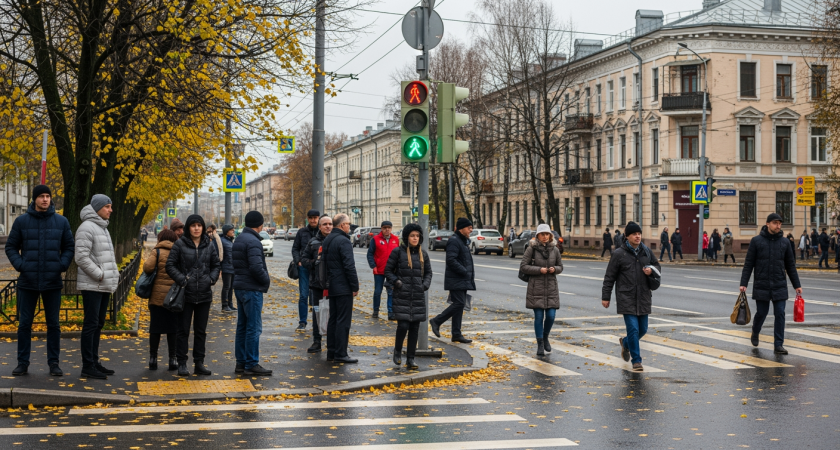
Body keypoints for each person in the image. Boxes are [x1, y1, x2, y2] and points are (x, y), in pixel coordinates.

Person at [5, 185, 74, 377]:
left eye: (48, 196)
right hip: (28, 281)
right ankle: (22, 362)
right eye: (41, 196)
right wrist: (21, 265)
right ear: (34, 199)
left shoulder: (61, 222)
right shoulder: (21, 221)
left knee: (53, 324)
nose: (45, 199)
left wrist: (61, 265)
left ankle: (54, 363)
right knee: (24, 324)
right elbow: (11, 247)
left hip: (52, 281)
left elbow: (69, 247)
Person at [601, 221, 661, 372]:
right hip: (626, 297)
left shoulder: (646, 251)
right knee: (633, 329)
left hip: (643, 296)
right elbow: (609, 277)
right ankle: (637, 361)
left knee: (643, 329)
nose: (637, 236)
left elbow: (657, 267)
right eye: (634, 234)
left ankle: (625, 343)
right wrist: (605, 296)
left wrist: (651, 271)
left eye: (639, 233)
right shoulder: (618, 254)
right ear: (627, 236)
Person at [166, 214, 220, 376]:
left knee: (201, 331)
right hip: (186, 294)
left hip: (204, 294)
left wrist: (211, 279)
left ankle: (199, 363)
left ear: (203, 227)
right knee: (183, 330)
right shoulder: (180, 244)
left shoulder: (209, 245)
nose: (196, 228)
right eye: (193, 225)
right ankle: (182, 363)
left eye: (199, 225)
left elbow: (216, 264)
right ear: (188, 228)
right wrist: (182, 280)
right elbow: (170, 265)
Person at [740, 213, 802, 355]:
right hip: (762, 283)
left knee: (780, 313)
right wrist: (744, 283)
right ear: (767, 224)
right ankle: (755, 332)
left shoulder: (785, 243)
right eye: (775, 223)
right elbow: (748, 264)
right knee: (762, 312)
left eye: (780, 223)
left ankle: (778, 345)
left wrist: (797, 285)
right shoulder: (756, 241)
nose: (778, 226)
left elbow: (790, 266)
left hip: (779, 284)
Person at [75, 194, 120, 379]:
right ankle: (87, 365)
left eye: (110, 206)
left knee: (98, 324)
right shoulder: (87, 227)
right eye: (107, 206)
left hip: (103, 284)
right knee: (91, 324)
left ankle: (94, 361)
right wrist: (100, 274)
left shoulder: (102, 227)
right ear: (97, 208)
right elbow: (81, 257)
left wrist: (112, 274)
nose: (110, 210)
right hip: (93, 284)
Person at [385, 224, 432, 370]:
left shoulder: (422, 254)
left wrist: (424, 285)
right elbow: (388, 271)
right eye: (412, 236)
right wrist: (397, 282)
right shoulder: (398, 252)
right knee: (403, 325)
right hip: (402, 295)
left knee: (414, 328)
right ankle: (398, 351)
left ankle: (411, 359)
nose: (415, 238)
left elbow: (429, 273)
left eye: (417, 236)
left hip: (417, 295)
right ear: (407, 237)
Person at [232, 211, 272, 375]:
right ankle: (251, 363)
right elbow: (256, 267)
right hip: (252, 289)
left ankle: (241, 363)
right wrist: (266, 280)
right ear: (260, 225)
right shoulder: (254, 241)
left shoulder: (240, 238)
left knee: (242, 326)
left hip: (240, 287)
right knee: (253, 328)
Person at [519, 224, 563, 357]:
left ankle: (545, 337)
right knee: (539, 317)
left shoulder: (555, 249)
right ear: (537, 235)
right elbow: (523, 267)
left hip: (551, 287)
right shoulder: (531, 249)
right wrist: (539, 270)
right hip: (536, 287)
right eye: (542, 234)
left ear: (550, 235)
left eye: (547, 234)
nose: (545, 236)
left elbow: (561, 266)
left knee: (551, 316)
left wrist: (554, 269)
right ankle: (540, 344)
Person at [429, 218, 475, 344]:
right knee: (459, 304)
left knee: (459, 306)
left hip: (461, 279)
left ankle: (456, 333)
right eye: (469, 228)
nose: (471, 230)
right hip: (457, 278)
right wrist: (464, 271)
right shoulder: (455, 241)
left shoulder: (462, 241)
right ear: (461, 228)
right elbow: (451, 260)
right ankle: (436, 321)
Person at [321, 213, 360, 363]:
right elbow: (349, 265)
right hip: (343, 286)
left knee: (333, 319)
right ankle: (341, 353)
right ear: (342, 225)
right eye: (348, 224)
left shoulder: (328, 239)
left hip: (331, 285)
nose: (349, 226)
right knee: (343, 321)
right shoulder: (343, 241)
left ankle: (331, 352)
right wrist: (354, 286)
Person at [142, 229, 179, 371]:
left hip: (157, 298)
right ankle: (172, 359)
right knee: (172, 329)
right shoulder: (178, 251)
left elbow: (148, 268)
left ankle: (153, 359)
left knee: (155, 328)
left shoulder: (156, 252)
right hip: (174, 297)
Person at [301, 215, 333, 354]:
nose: (328, 226)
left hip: (334, 285)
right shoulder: (313, 242)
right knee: (317, 313)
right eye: (325, 224)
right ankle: (317, 341)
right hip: (317, 285)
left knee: (333, 314)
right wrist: (315, 263)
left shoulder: (338, 240)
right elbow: (304, 259)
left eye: (330, 224)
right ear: (319, 227)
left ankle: (333, 343)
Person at [292, 210, 321, 331]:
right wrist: (298, 260)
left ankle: (318, 322)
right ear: (308, 219)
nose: (313, 220)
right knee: (304, 295)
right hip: (304, 267)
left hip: (318, 268)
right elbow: (295, 248)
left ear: (318, 218)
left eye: (315, 218)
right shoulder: (302, 232)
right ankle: (302, 322)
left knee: (317, 296)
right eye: (311, 218)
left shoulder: (322, 232)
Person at [366, 220, 400, 319]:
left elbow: (399, 255)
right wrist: (373, 266)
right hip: (379, 270)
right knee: (377, 291)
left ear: (391, 229)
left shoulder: (396, 239)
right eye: (385, 228)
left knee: (391, 291)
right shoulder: (375, 239)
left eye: (388, 228)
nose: (387, 230)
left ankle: (391, 312)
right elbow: (370, 254)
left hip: (391, 271)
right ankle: (376, 310)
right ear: (381, 229)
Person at [220, 225, 236, 312]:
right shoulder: (222, 241)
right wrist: (220, 268)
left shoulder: (230, 241)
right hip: (226, 267)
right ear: (226, 232)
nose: (233, 231)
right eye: (231, 230)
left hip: (232, 267)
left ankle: (230, 304)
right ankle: (224, 305)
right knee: (227, 286)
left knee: (231, 287)